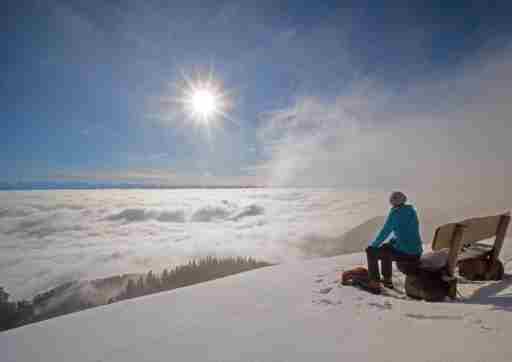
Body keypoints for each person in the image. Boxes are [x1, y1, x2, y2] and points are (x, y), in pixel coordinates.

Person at [366, 191, 423, 291]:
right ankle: (387, 280)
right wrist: (395, 240)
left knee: (371, 252)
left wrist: (373, 246)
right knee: (386, 247)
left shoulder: (395, 213)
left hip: (406, 254)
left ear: (393, 202)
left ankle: (375, 283)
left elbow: (385, 231)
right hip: (417, 252)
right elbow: (408, 232)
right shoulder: (412, 211)